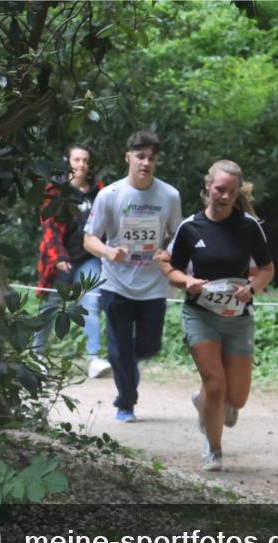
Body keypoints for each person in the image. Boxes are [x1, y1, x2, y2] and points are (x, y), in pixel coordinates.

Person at [163, 160, 274, 471]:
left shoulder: (249, 227)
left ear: (238, 194)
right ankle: (214, 449)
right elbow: (170, 269)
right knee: (215, 383)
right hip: (201, 314)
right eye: (219, 189)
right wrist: (187, 282)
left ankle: (205, 404)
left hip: (238, 317)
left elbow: (267, 269)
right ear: (207, 188)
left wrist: (251, 289)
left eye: (231, 192)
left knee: (235, 399)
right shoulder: (190, 228)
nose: (224, 196)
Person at [83, 130, 182, 422]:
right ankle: (125, 401)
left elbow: (178, 235)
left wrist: (168, 253)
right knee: (118, 349)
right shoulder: (109, 195)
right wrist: (108, 252)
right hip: (116, 284)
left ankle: (128, 364)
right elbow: (89, 239)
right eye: (140, 156)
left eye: (151, 158)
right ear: (128, 157)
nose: (146, 163)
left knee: (149, 346)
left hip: (153, 286)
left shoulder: (169, 195)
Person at [34, 143, 111, 378]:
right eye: (77, 160)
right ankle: (35, 354)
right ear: (67, 162)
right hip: (59, 259)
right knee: (50, 305)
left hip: (88, 257)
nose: (82, 165)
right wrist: (58, 258)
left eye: (85, 161)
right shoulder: (55, 193)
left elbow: (107, 223)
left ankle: (93, 358)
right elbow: (49, 230)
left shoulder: (99, 191)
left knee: (92, 300)